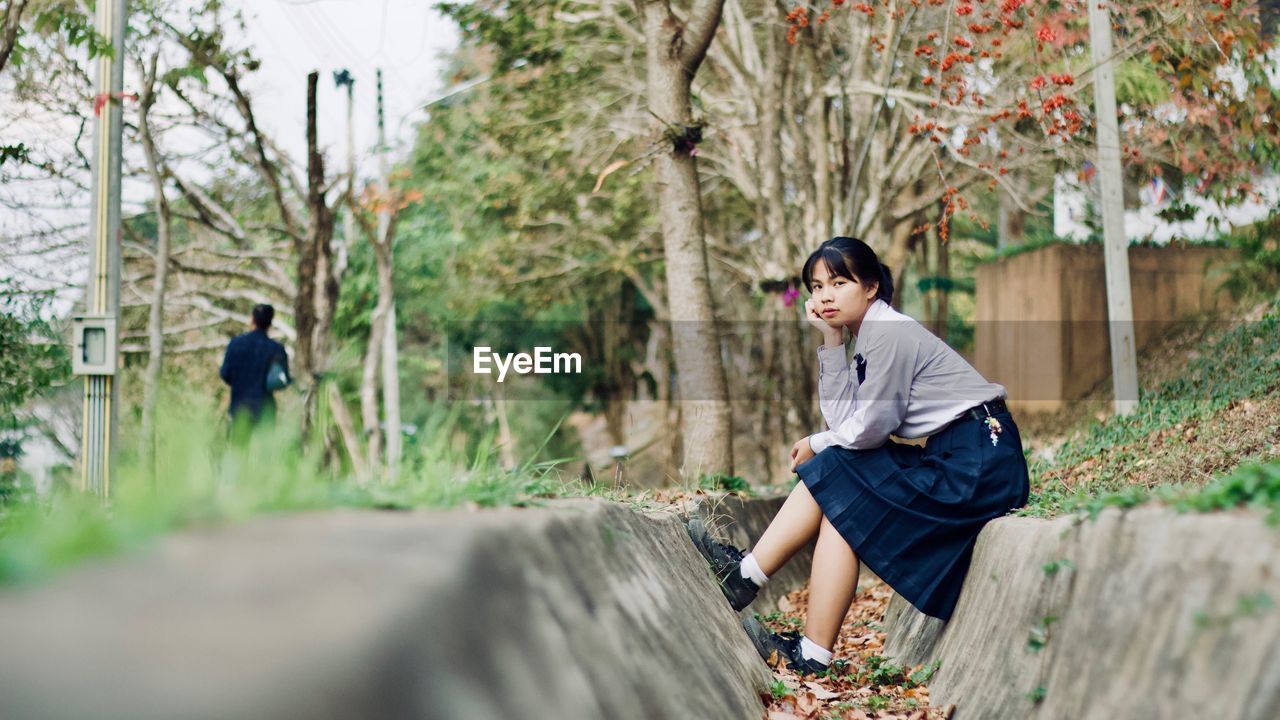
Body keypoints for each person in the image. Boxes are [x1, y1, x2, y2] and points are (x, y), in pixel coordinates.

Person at [690, 236, 1029, 676]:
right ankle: (811, 653)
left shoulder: (888, 334)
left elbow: (868, 430)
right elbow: (843, 419)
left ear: (871, 286)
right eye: (815, 287)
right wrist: (831, 342)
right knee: (842, 500)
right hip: (957, 455)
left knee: (834, 465)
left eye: (838, 282)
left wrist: (817, 442)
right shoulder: (866, 337)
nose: (824, 295)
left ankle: (746, 578)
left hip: (978, 462)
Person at [219, 304, 290, 428]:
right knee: (263, 448)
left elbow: (225, 373)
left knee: (238, 447)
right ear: (270, 323)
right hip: (265, 412)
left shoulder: (235, 344)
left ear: (252, 320)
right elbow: (283, 380)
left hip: (239, 409)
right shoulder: (276, 349)